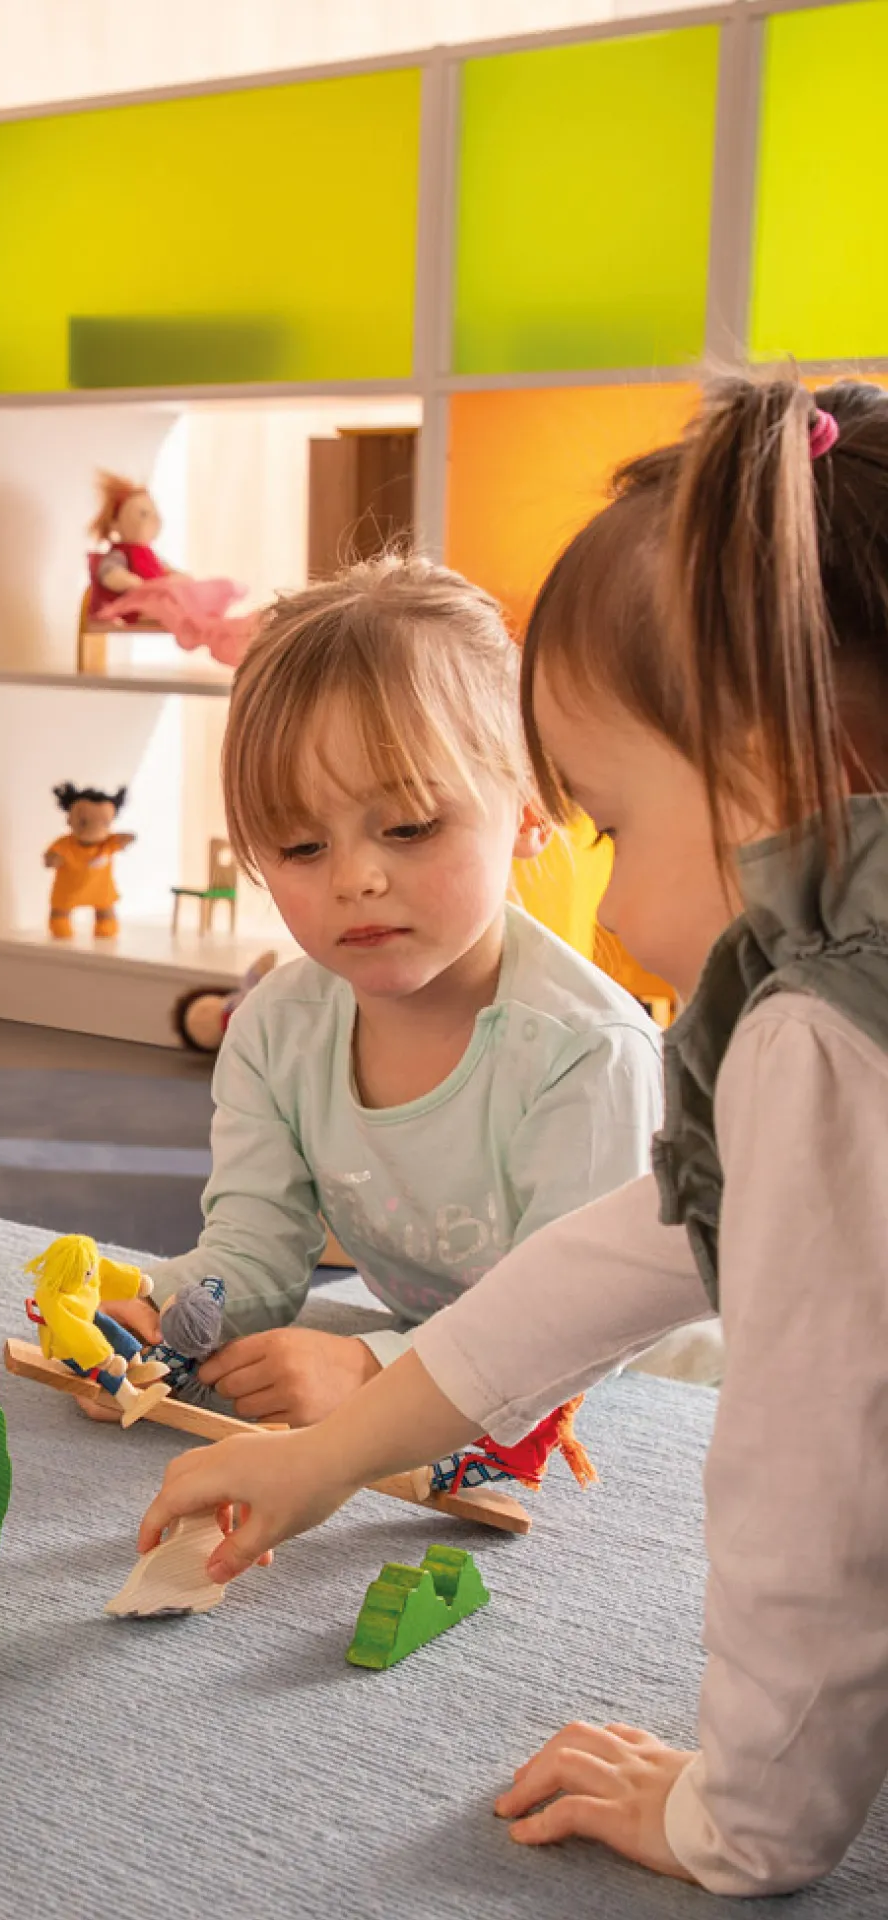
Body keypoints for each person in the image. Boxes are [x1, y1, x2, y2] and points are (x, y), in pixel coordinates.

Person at [140, 372, 888, 1897]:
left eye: (613, 822)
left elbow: (809, 1489)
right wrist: (327, 1460)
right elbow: (603, 1267)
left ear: (782, 770)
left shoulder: (817, 1037)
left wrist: (739, 1814)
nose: (609, 906)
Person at [115, 555, 662, 1427]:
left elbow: (573, 1334)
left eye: (408, 826)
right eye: (300, 846)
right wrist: (169, 1320)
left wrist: (374, 1372)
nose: (355, 880)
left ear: (528, 806)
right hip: (449, 1374)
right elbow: (253, 1256)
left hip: (638, 1406)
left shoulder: (586, 1052)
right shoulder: (273, 1030)